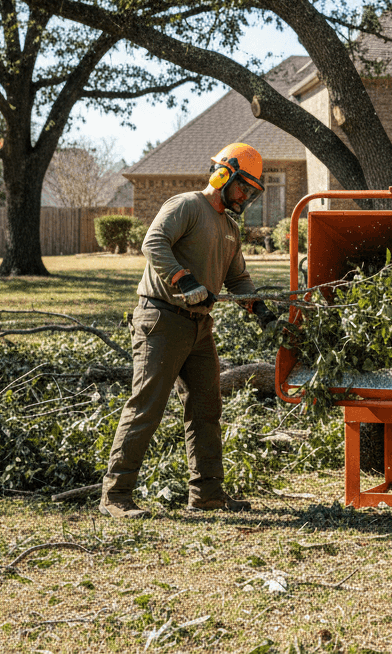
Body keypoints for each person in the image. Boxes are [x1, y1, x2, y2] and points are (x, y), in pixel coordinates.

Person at [100, 142, 274, 519]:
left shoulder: (230, 227)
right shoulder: (187, 205)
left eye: (251, 191)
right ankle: (115, 495)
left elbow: (238, 278)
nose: (244, 196)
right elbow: (153, 242)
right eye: (242, 187)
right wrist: (184, 279)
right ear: (223, 175)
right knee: (147, 405)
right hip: (162, 319)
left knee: (206, 407)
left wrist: (261, 310)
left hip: (199, 327)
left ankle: (206, 494)